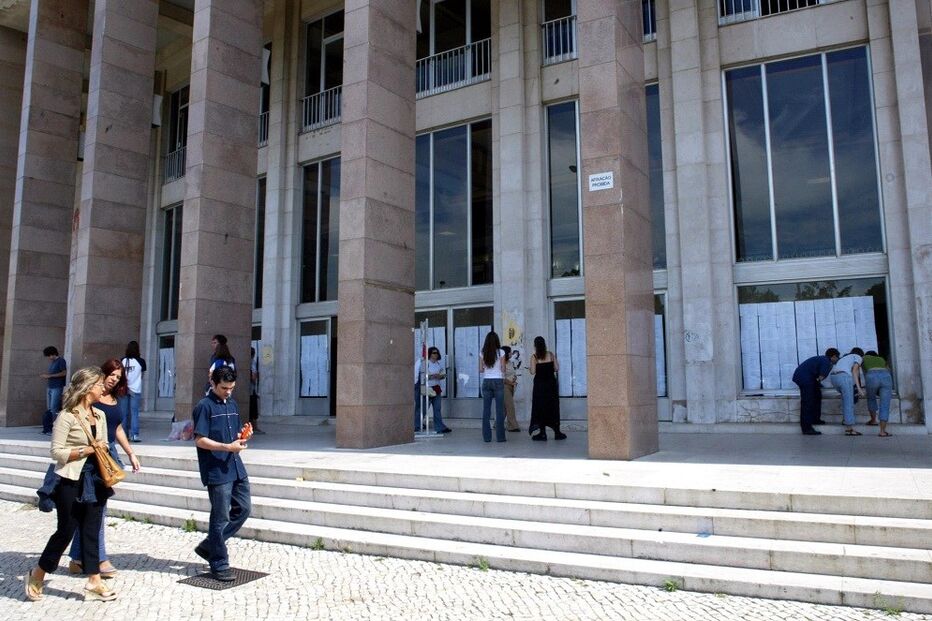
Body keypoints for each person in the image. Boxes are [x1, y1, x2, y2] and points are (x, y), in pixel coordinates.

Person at [24, 367, 117, 602]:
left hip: (96, 479)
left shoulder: (100, 415)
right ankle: (38, 573)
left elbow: (104, 442)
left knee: (92, 530)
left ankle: (94, 582)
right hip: (70, 480)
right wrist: (84, 450)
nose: (102, 387)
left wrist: (101, 448)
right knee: (66, 530)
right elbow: (56, 452)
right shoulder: (66, 416)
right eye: (99, 384)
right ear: (87, 388)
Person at [68, 359, 141, 576]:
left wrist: (131, 453)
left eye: (118, 377)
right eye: (111, 375)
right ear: (103, 373)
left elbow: (117, 428)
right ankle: (98, 559)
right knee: (95, 510)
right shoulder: (90, 396)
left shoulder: (114, 398)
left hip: (108, 456)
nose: (114, 380)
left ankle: (77, 558)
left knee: (94, 509)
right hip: (90, 456)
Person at [192, 365, 250, 582]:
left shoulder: (233, 404)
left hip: (236, 466)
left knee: (244, 509)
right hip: (217, 470)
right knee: (220, 517)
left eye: (232, 388)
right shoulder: (203, 407)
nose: (228, 392)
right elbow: (199, 440)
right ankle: (218, 562)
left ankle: (210, 545)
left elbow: (233, 434)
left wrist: (243, 436)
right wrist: (227, 447)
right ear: (213, 384)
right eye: (224, 388)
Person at [791, 347, 840, 435]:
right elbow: (821, 377)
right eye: (837, 358)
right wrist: (817, 382)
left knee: (817, 395)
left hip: (804, 376)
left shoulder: (822, 359)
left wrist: (816, 384)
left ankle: (815, 419)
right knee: (808, 402)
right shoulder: (826, 361)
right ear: (833, 356)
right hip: (805, 378)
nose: (837, 360)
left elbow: (818, 378)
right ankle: (806, 428)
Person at [529, 336, 565, 441]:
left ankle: (543, 433)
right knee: (553, 407)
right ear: (544, 344)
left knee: (540, 408)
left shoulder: (534, 357)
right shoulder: (550, 354)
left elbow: (532, 372)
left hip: (540, 387)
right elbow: (557, 368)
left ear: (535, 345)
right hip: (551, 385)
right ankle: (557, 433)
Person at [829, 347, 866, 436]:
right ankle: (849, 430)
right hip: (844, 377)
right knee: (849, 402)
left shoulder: (844, 358)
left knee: (846, 400)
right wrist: (859, 389)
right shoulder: (858, 357)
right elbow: (854, 372)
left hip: (834, 378)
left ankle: (846, 420)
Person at [414, 347, 451, 433]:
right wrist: (432, 376)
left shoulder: (438, 364)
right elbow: (422, 376)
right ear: (430, 353)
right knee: (422, 408)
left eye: (437, 353)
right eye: (434, 353)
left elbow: (442, 374)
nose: (436, 354)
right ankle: (416, 425)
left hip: (436, 388)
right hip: (427, 388)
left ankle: (439, 427)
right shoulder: (425, 363)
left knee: (437, 408)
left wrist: (441, 376)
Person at [478, 332, 507, 443]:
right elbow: (503, 369)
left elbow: (480, 370)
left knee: (486, 410)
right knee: (499, 410)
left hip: (486, 381)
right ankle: (500, 437)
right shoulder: (501, 352)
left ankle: (487, 437)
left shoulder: (482, 353)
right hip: (498, 381)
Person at [862, 350, 893, 437]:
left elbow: (864, 373)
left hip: (871, 375)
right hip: (886, 376)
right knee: (885, 404)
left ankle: (873, 420)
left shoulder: (864, 358)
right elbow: (888, 370)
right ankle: (882, 431)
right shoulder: (881, 359)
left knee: (871, 398)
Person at [121, 341, 146, 442]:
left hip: (123, 389)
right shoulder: (141, 361)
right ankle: (134, 435)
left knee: (124, 413)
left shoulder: (122, 360)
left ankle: (124, 435)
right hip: (135, 389)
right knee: (134, 413)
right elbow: (142, 375)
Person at [40, 346, 67, 435]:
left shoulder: (61, 361)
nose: (48, 358)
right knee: (49, 408)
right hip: (50, 387)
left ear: (52, 354)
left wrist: (50, 376)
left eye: (48, 356)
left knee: (54, 408)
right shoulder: (53, 362)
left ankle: (55, 429)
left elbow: (64, 373)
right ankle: (48, 428)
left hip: (57, 387)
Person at [501, 346, 520, 432]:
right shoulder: (501, 363)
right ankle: (512, 426)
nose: (511, 354)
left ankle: (497, 424)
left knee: (505, 408)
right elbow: (502, 378)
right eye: (510, 352)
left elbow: (512, 373)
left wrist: (515, 377)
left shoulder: (510, 362)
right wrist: (511, 383)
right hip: (504, 387)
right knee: (510, 406)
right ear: (506, 353)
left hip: (511, 387)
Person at [249, 347, 265, 434]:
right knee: (254, 410)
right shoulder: (252, 362)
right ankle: (254, 427)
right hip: (252, 390)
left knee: (251, 409)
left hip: (248, 390)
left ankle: (251, 427)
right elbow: (254, 377)